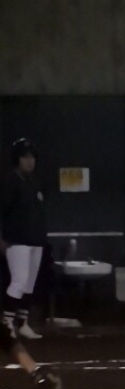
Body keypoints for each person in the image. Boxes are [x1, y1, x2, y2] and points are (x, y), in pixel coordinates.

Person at [1, 138, 48, 339]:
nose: (30, 161)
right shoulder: (10, 182)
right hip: (16, 240)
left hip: (35, 240)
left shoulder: (34, 182)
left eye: (32, 157)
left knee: (29, 284)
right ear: (17, 159)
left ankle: (22, 323)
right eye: (25, 157)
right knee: (19, 281)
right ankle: (6, 324)